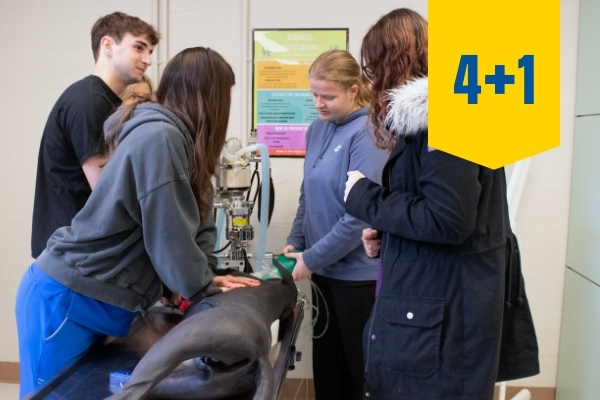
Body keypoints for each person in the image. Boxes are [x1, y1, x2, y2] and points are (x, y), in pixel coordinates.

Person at [15, 47, 260, 398]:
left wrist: (205, 277)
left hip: (107, 301)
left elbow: (199, 228)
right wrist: (200, 289)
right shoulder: (159, 138)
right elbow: (169, 239)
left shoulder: (186, 146)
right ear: (212, 97)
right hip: (67, 296)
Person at [344, 8, 538, 400]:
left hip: (441, 320)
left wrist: (364, 196)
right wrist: (387, 232)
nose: (370, 82)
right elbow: (439, 206)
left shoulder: (447, 120)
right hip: (435, 308)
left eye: (372, 68)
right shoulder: (434, 120)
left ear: (394, 62)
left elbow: (449, 220)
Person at [282, 49, 388, 400]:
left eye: (328, 96)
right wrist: (296, 242)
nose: (319, 103)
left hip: (357, 280)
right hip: (322, 273)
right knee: (328, 369)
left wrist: (311, 258)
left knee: (359, 373)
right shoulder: (317, 130)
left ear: (354, 90)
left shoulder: (369, 131)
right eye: (314, 94)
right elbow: (307, 194)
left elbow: (360, 214)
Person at [31, 12, 160, 259]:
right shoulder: (89, 102)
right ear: (108, 45)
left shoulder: (105, 102)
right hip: (70, 258)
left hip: (81, 254)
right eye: (139, 47)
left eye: (150, 52)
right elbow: (108, 193)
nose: (147, 60)